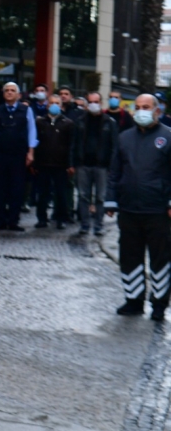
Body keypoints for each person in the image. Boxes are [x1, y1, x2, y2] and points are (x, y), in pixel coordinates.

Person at [105, 94, 171, 319]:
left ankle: (159, 304)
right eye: (138, 107)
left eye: (146, 107)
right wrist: (111, 199)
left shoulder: (167, 137)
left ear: (157, 111)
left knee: (160, 258)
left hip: (158, 210)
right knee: (129, 256)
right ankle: (133, 300)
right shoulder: (124, 138)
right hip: (129, 210)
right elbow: (115, 172)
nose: (141, 110)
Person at [0, 82, 37, 232]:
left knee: (17, 188)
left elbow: (31, 131)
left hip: (19, 155)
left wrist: (31, 152)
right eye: (7, 90)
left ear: (18, 94)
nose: (10, 93)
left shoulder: (26, 110)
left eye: (13, 91)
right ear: (3, 94)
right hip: (0, 155)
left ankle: (13, 220)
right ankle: (0, 219)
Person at [74, 92, 117, 236]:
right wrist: (73, 162)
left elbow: (114, 145)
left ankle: (98, 225)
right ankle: (85, 224)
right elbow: (74, 143)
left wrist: (112, 165)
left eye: (96, 101)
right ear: (87, 104)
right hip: (83, 164)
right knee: (83, 196)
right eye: (91, 101)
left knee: (100, 197)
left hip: (102, 166)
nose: (94, 104)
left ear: (101, 102)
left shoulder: (109, 122)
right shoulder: (80, 121)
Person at [33, 93, 76, 230]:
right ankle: (42, 219)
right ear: (47, 105)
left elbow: (71, 145)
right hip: (43, 163)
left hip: (60, 165)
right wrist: (34, 163)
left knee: (61, 194)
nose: (54, 105)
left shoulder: (68, 123)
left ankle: (61, 218)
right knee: (43, 194)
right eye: (51, 102)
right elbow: (34, 143)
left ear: (61, 105)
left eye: (57, 103)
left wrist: (70, 164)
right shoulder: (40, 122)